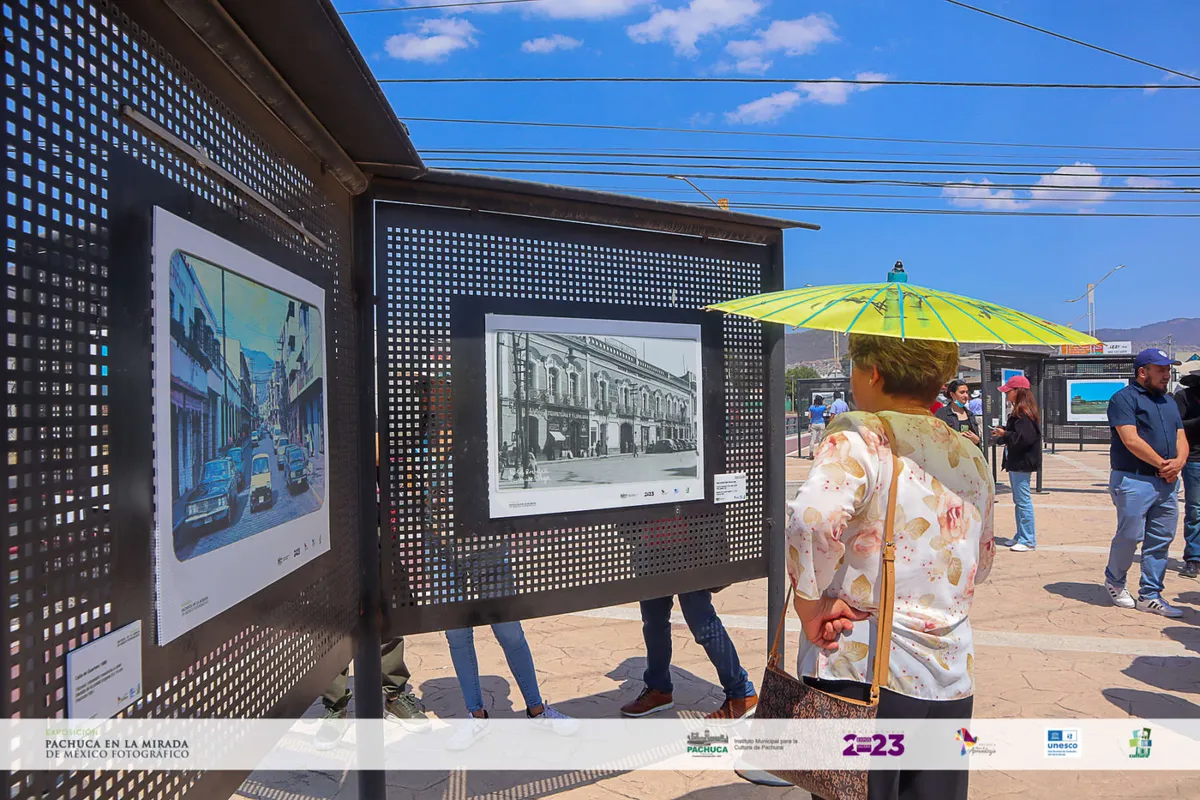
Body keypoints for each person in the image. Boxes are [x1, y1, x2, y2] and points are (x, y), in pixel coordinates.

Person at [785, 333, 994, 800]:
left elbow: (811, 520)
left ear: (873, 372)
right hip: (951, 671)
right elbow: (980, 563)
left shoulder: (861, 435)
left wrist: (810, 606)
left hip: (866, 666)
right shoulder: (971, 456)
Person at [316, 434, 430, 751]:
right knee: (338, 623)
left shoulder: (384, 406)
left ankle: (394, 694)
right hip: (341, 530)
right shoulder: (342, 405)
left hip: (383, 530)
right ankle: (335, 706)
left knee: (389, 616)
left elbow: (388, 458)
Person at [1102, 348, 1187, 617]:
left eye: (1168, 369)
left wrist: (1179, 463)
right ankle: (1115, 581)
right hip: (1133, 479)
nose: (1167, 374)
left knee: (1160, 540)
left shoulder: (1169, 401)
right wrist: (1164, 465)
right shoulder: (1123, 399)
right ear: (1142, 372)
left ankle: (1150, 594)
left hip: (1166, 482)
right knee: (1130, 537)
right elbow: (1130, 440)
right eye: (1161, 369)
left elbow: (1180, 435)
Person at [620, 589, 758, 720]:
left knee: (702, 622)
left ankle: (741, 693)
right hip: (654, 565)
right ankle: (658, 689)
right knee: (653, 621)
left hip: (691, 566)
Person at [989, 375, 1041, 552]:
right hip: (1016, 462)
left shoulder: (1023, 414)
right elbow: (1017, 435)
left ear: (1017, 392)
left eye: (1008, 392)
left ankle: (1028, 539)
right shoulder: (1020, 412)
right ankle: (1021, 535)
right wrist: (1003, 434)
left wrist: (1005, 434)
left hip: (1022, 462)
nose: (1006, 395)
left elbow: (1024, 439)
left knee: (1023, 501)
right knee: (1019, 500)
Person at [1173, 373, 1200, 578]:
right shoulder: (1184, 397)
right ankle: (1193, 558)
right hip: (1194, 460)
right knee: (1195, 510)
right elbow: (1177, 426)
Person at [935, 379, 982, 449]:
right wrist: (956, 437)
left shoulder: (970, 414)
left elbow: (978, 441)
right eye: (962, 392)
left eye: (967, 392)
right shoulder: (941, 414)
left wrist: (977, 441)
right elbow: (936, 438)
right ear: (952, 394)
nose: (966, 395)